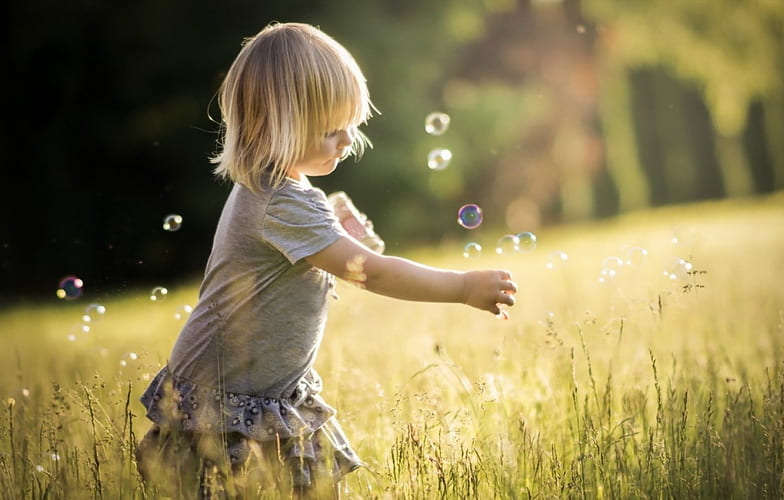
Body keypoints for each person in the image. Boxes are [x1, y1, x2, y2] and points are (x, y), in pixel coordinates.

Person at [136, 21, 518, 499]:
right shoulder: (283, 202)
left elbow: (343, 260)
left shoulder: (274, 187)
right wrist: (462, 287)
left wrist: (341, 237)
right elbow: (371, 273)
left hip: (264, 392)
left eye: (351, 126)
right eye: (330, 130)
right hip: (232, 406)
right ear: (274, 125)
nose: (347, 141)